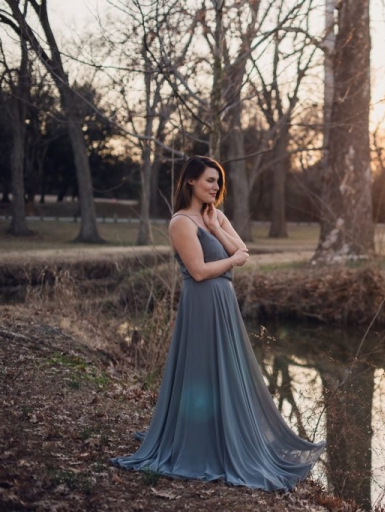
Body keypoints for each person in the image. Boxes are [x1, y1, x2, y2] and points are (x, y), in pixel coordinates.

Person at [112, 156, 324, 490]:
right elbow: (197, 271)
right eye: (210, 180)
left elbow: (242, 250)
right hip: (202, 302)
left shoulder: (215, 216)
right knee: (203, 369)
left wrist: (215, 229)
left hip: (223, 301)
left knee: (227, 367)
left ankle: (225, 432)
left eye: (218, 182)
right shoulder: (181, 222)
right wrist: (231, 259)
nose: (215, 187)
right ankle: (199, 441)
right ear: (190, 182)